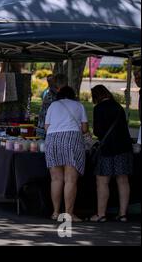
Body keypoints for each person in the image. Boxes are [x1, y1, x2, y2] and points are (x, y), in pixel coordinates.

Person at [89, 85, 133, 223]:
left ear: (96, 96)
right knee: (123, 180)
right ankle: (123, 214)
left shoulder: (98, 109)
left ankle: (101, 214)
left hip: (107, 149)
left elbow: (97, 132)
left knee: (103, 181)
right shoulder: (119, 107)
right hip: (124, 148)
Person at [44, 86, 89, 222]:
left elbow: (46, 127)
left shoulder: (53, 105)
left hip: (52, 140)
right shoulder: (79, 106)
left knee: (56, 179)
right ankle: (68, 215)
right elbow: (85, 128)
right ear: (72, 94)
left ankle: (56, 213)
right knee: (70, 179)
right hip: (71, 139)